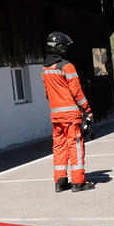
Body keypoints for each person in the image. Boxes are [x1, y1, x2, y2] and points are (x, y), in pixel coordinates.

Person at [41, 31, 95, 192]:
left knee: (59, 146)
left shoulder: (45, 69)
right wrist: (87, 109)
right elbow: (76, 92)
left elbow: (47, 94)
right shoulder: (67, 66)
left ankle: (60, 181)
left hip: (56, 115)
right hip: (71, 115)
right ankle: (78, 182)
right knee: (75, 145)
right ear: (60, 48)